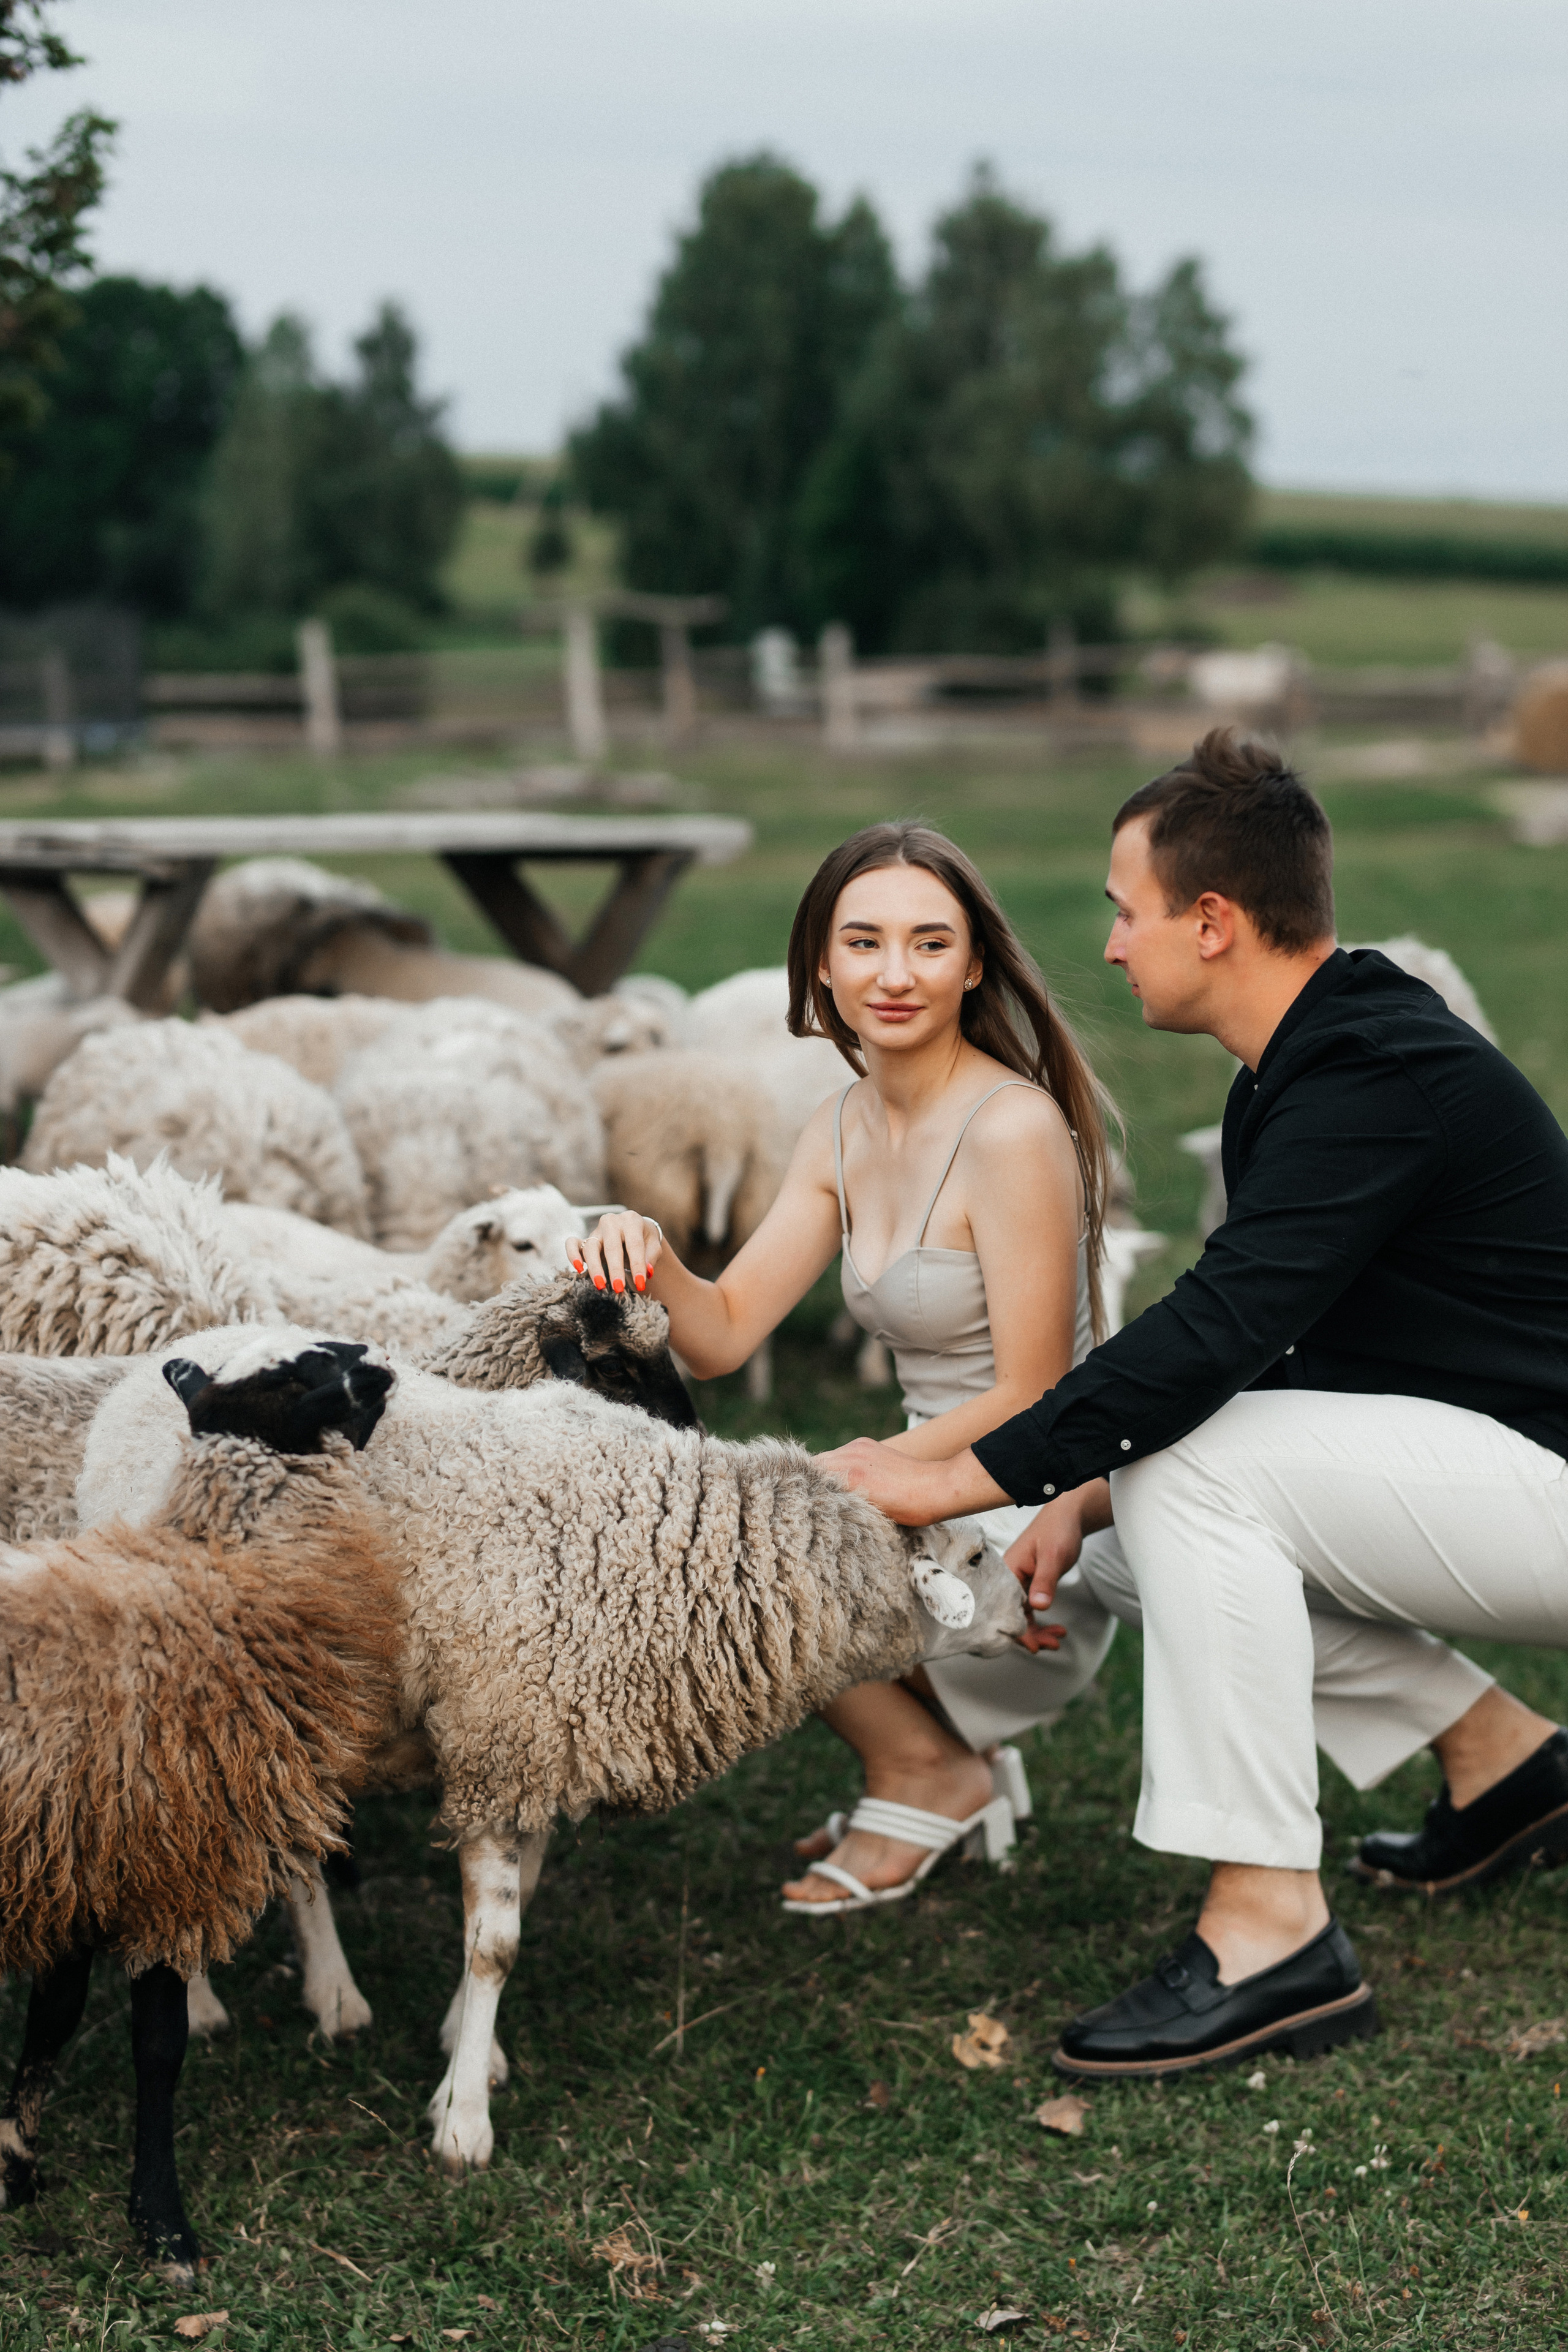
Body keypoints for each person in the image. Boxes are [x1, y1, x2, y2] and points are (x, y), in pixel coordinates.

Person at [821, 728, 1568, 2077]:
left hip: (1546, 1480)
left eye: (1126, 911)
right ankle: (1499, 1760)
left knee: (1185, 1474)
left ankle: (1268, 1929)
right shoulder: (1305, 1062)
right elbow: (1269, 1347)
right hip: (1502, 1468)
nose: (1109, 946)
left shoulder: (1366, 1078)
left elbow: (1210, 1339)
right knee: (1131, 1519)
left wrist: (953, 1478)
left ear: (1209, 921)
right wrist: (1078, 1493)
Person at [572, 820, 1123, 1912]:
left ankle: (926, 1770)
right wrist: (648, 1248)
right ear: (821, 963)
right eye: (863, 943)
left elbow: (1033, 1394)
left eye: (929, 944)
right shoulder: (839, 1125)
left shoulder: (1012, 1130)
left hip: (1033, 1497)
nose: (895, 973)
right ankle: (939, 1756)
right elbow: (724, 1330)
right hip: (918, 1475)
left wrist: (858, 1473)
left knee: (763, 1533)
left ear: (974, 966)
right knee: (749, 1517)